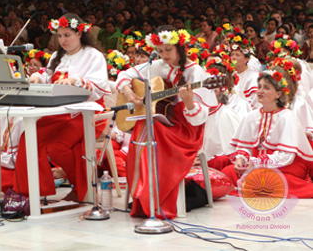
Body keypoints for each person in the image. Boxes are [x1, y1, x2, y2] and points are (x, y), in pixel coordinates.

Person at [117, 25, 214, 219]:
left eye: (168, 49)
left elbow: (200, 118)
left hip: (186, 129)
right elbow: (124, 75)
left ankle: (152, 199)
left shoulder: (197, 73)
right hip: (162, 122)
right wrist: (128, 92)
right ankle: (144, 196)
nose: (164, 54)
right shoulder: (156, 66)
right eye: (160, 51)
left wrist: (188, 103)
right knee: (145, 125)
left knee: (151, 128)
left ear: (180, 46)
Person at [13, 14, 111, 203]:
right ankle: (32, 192)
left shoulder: (93, 55)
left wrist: (77, 81)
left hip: (86, 113)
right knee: (29, 137)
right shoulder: (58, 56)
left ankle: (79, 186)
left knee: (57, 146)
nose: (63, 40)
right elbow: (48, 76)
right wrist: (38, 78)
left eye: (67, 35)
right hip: (59, 112)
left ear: (79, 33)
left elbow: (99, 87)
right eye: (59, 36)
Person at [222, 69, 313, 198]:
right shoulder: (251, 116)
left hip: (286, 166)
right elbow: (244, 147)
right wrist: (241, 159)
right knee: (228, 172)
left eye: (266, 88)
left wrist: (255, 162)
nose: (259, 91)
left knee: (265, 179)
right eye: (259, 87)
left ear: (278, 94)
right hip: (257, 165)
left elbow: (285, 156)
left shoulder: (287, 117)